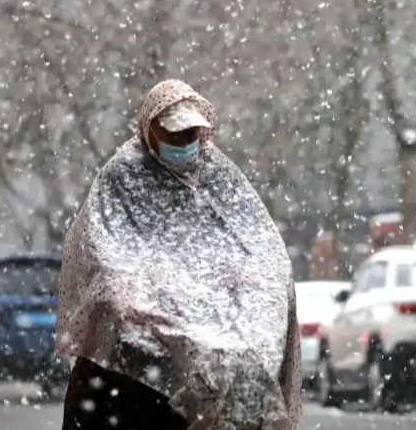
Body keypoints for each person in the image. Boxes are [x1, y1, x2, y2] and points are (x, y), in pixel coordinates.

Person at [57, 80, 301, 430]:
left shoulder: (220, 177)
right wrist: (139, 297)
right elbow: (103, 250)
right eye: (174, 135)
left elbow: (259, 247)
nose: (184, 144)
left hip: (217, 338)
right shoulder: (123, 176)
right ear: (149, 129)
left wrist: (246, 292)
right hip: (138, 352)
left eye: (191, 136)